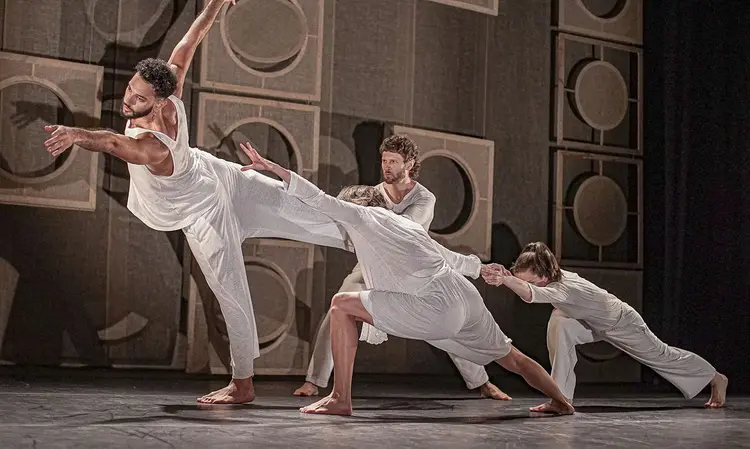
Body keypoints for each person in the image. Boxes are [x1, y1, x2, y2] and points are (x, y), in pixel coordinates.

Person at [42, 0, 352, 404]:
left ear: (160, 100)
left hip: (211, 194)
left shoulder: (152, 145)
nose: (127, 101)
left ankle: (374, 235)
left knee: (301, 212)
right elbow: (188, 41)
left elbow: (113, 141)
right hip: (207, 193)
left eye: (138, 99)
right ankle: (243, 382)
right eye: (130, 91)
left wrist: (76, 133)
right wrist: (215, 3)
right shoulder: (164, 96)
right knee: (231, 291)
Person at [239, 143, 575, 416]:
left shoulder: (364, 215)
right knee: (511, 356)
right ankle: (561, 401)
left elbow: (315, 197)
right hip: (463, 294)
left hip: (432, 305)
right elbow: (449, 257)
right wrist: (481, 268)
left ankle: (340, 398)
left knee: (341, 305)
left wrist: (273, 169)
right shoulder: (410, 225)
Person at [294, 135, 509, 401]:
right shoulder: (374, 193)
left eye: (393, 161)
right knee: (338, 307)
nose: (387, 166)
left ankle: (481, 382)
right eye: (384, 160)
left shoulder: (424, 198)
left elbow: (402, 230)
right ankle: (314, 381)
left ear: (409, 164)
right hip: (371, 267)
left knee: (446, 328)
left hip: (412, 272)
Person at [483, 242, 728, 411]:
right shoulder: (553, 276)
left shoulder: (563, 287)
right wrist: (506, 275)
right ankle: (561, 398)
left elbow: (529, 294)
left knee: (662, 355)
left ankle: (715, 378)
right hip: (590, 323)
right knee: (561, 324)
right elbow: (525, 285)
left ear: (544, 277)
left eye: (533, 281)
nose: (530, 284)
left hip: (622, 323)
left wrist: (506, 280)